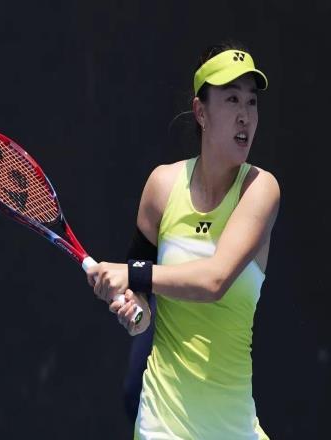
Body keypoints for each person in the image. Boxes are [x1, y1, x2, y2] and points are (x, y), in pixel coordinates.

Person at [87, 41, 279, 440]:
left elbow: (214, 280)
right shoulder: (161, 187)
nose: (245, 115)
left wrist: (133, 275)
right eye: (231, 99)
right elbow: (141, 304)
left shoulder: (261, 189)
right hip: (163, 424)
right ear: (201, 112)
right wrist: (134, 312)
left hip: (235, 428)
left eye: (251, 102)